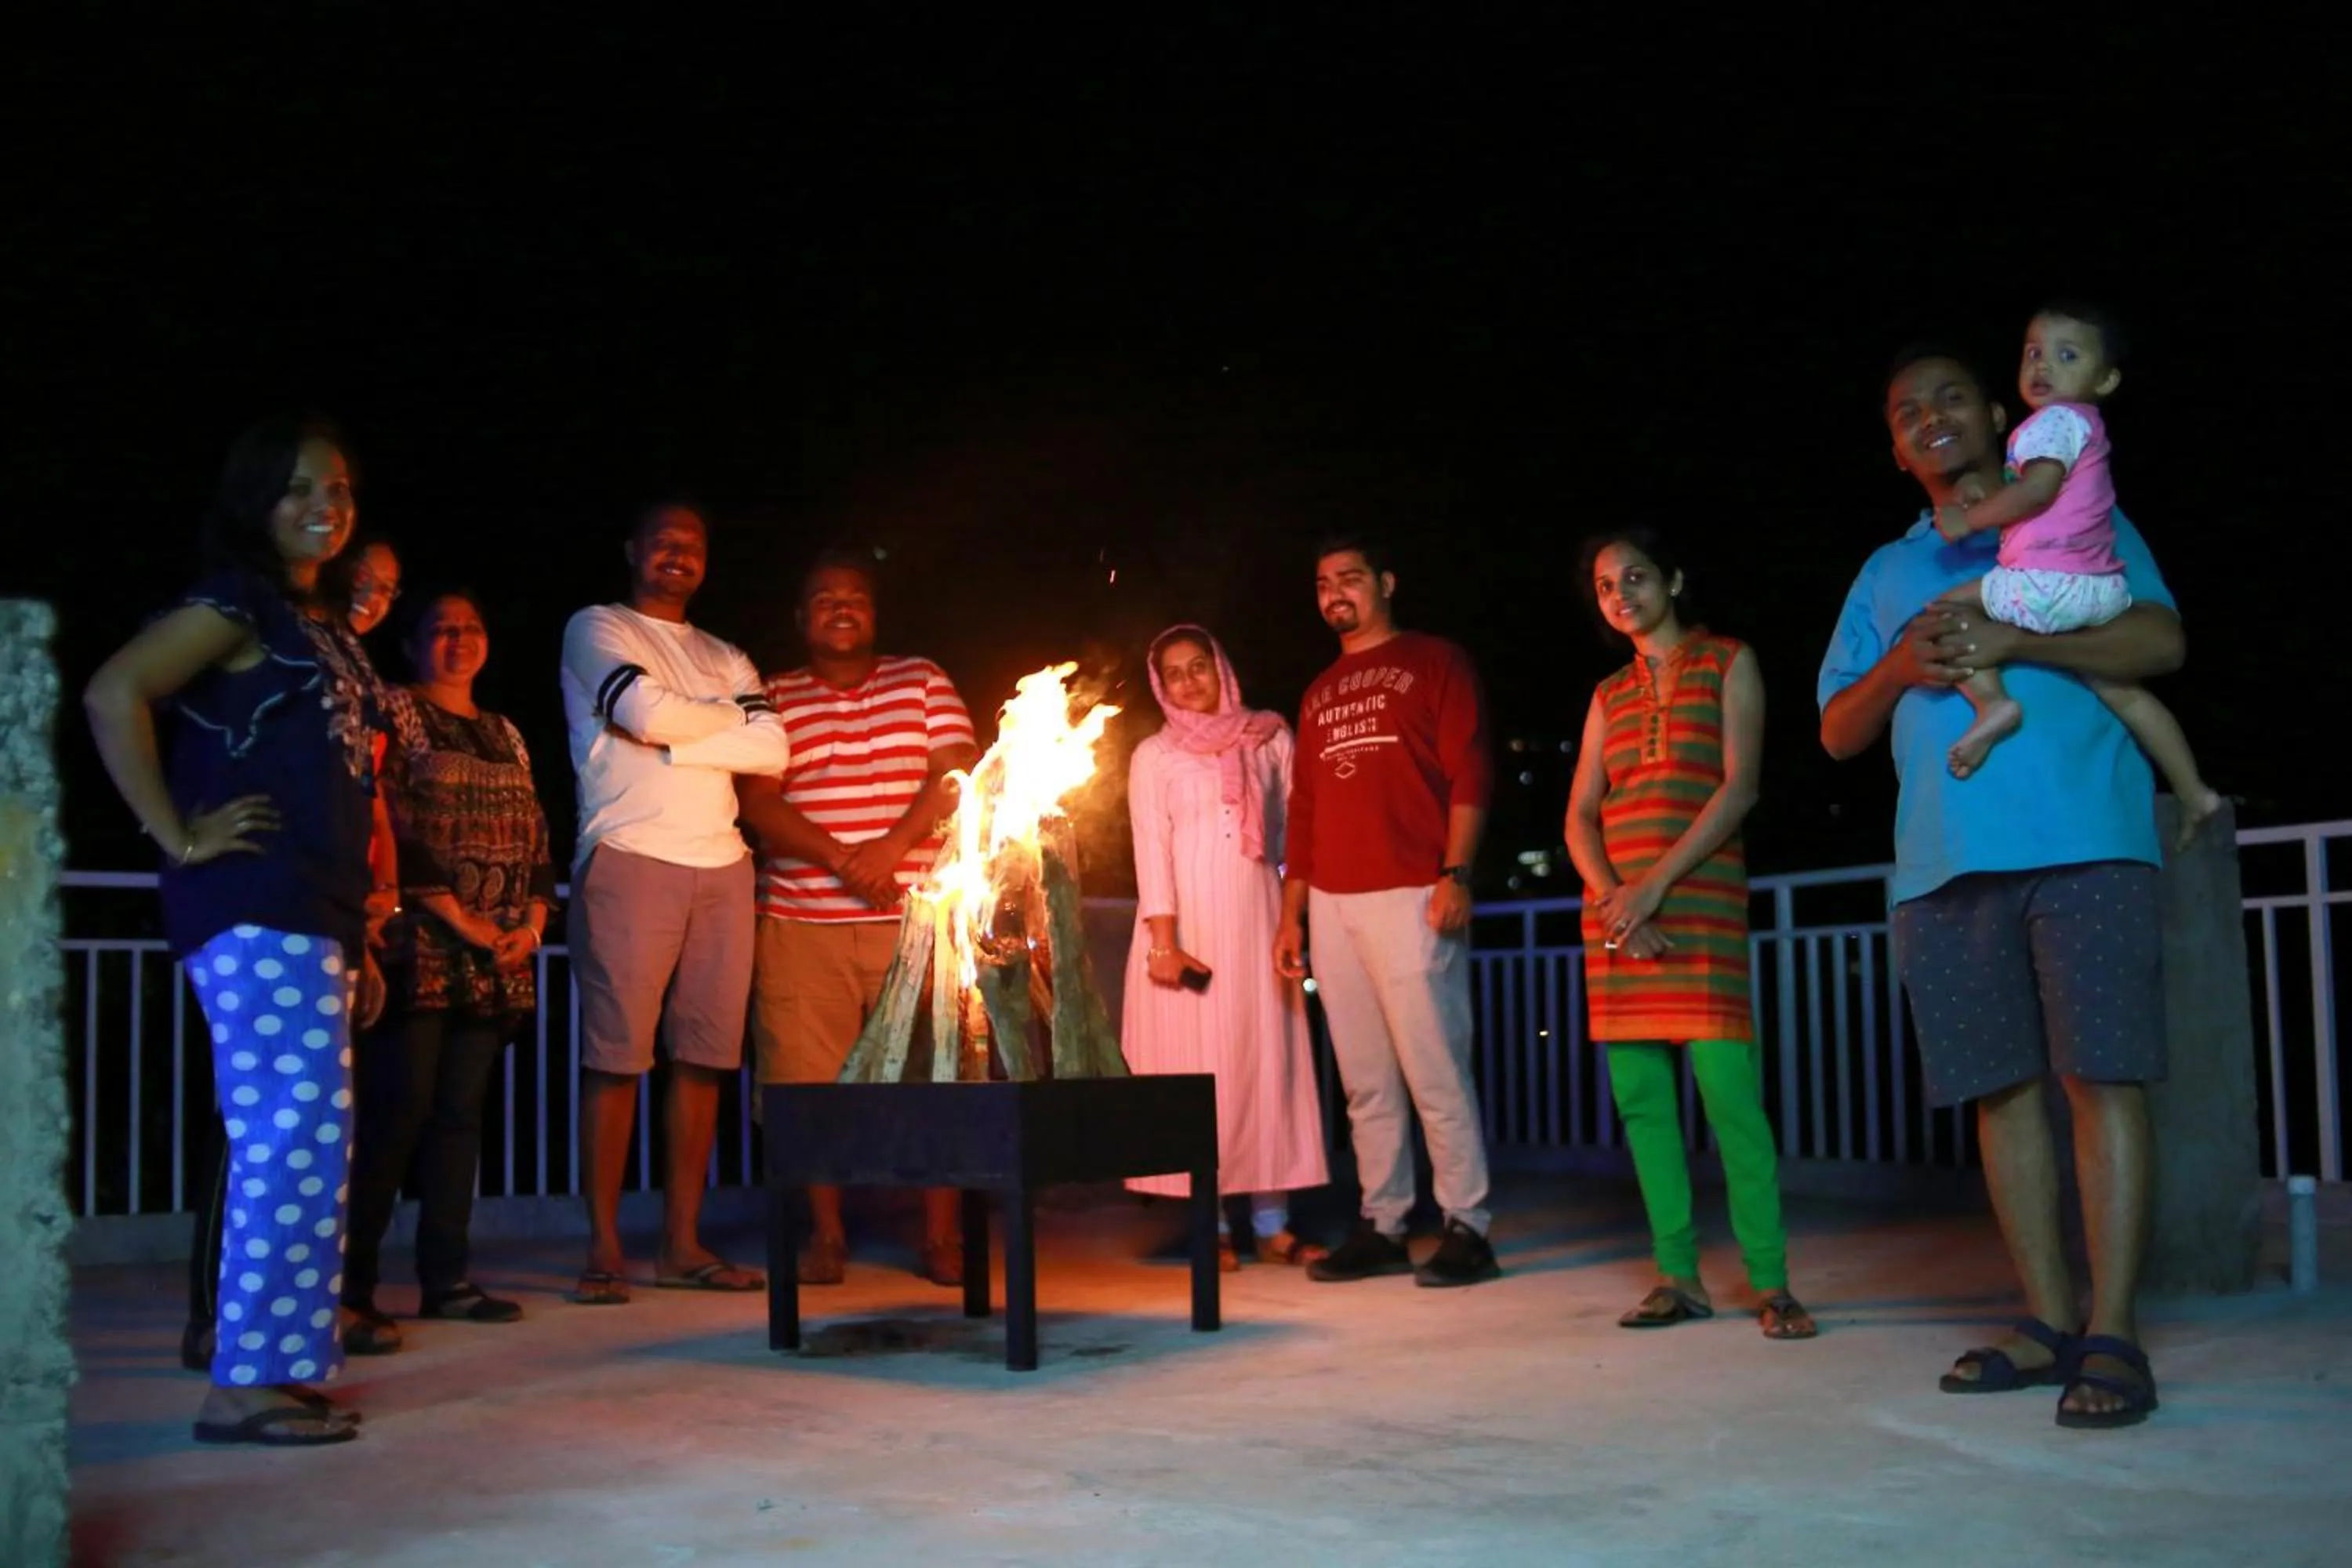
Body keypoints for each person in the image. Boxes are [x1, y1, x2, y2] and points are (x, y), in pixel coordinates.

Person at [1820, 345, 2186, 1429]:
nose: (1929, 417)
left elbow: (2163, 641)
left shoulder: (2077, 512)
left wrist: (2020, 635)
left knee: (2104, 1080)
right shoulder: (1885, 571)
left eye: (1948, 398)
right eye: (1904, 412)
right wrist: (1899, 668)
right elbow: (1838, 730)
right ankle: (2047, 1321)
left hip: (2088, 839)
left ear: (1995, 413)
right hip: (1944, 863)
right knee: (2004, 1093)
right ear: (1896, 450)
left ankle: (2114, 1334)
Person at [84, 414, 390, 1445]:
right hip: (256, 901)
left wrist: (365, 938)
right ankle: (243, 1381)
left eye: (339, 488)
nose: (326, 505)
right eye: (299, 487)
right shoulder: (239, 599)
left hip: (316, 910)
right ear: (254, 500)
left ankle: (277, 1364)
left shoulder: (323, 622)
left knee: (308, 1140)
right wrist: (173, 830)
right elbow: (115, 690)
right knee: (286, 1139)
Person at [1564, 529, 1815, 1340]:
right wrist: (1614, 901)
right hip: (1619, 924)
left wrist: (1653, 888)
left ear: (1673, 577)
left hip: (1695, 909)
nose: (1621, 594)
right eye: (1605, 586)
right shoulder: (1608, 693)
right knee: (1643, 1105)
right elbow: (1576, 816)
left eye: (1635, 576)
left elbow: (1739, 789)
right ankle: (1679, 1276)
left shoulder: (1728, 661)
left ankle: (1772, 1282)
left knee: (1730, 1099)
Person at [560, 502, 788, 1304]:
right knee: (617, 1057)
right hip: (630, 855)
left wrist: (667, 733)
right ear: (633, 547)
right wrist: (702, 722)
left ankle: (681, 1244)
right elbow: (640, 708)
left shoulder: (726, 652)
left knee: (705, 1059)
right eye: (664, 540)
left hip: (724, 864)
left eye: (693, 544)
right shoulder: (597, 627)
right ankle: (603, 1245)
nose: (678, 553)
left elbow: (773, 748)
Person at [736, 549, 978, 1287]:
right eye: (823, 597)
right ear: (800, 617)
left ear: (874, 612)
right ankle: (828, 1235)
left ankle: (941, 1236)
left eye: (856, 598)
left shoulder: (923, 679)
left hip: (916, 920)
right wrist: (846, 860)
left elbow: (958, 770)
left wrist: (893, 847)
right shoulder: (770, 696)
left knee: (936, 1077)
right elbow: (757, 798)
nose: (841, 607)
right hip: (801, 923)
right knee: (806, 1085)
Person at [1272, 535, 1499, 1287]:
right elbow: (1302, 812)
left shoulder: (1435, 660)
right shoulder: (1318, 691)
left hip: (1412, 886)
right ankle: (1384, 1221)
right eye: (1322, 583)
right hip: (1333, 900)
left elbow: (1470, 767)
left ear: (1386, 584)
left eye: (1351, 579)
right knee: (1365, 1076)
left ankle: (1468, 1222)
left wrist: (1455, 872)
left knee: (1433, 1062)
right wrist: (1290, 916)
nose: (1336, 593)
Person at [1925, 303, 2222, 847]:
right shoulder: (2086, 429)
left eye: (2067, 356)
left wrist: (1967, 518)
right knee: (2122, 691)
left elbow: (2035, 493)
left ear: (2105, 379)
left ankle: (1993, 704)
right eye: (2034, 353)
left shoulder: (2053, 422)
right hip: (2097, 589)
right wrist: (1987, 496)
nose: (2044, 366)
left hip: (2050, 584)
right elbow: (2044, 501)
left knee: (1946, 611)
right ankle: (2195, 790)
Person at [343, 590, 554, 1332]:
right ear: (414, 645)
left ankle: (447, 1278)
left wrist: (529, 925)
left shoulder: (504, 732)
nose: (458, 641)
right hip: (425, 945)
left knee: (461, 1117)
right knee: (398, 1112)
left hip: (495, 955)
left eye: (470, 628)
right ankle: (353, 1288)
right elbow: (390, 815)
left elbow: (533, 833)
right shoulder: (398, 713)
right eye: (441, 629)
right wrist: (461, 919)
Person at [1123, 624, 1329, 1270]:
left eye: (1198, 666)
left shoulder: (1269, 738)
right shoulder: (1154, 756)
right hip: (1181, 935)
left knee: (1266, 1065)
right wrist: (1164, 942)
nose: (1188, 681)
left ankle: (1273, 1225)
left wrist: (1295, 919)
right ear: (1161, 685)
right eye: (1174, 672)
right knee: (1198, 1076)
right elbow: (1150, 850)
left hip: (1259, 922)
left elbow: (1297, 835)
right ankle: (1208, 1223)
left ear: (1223, 668)